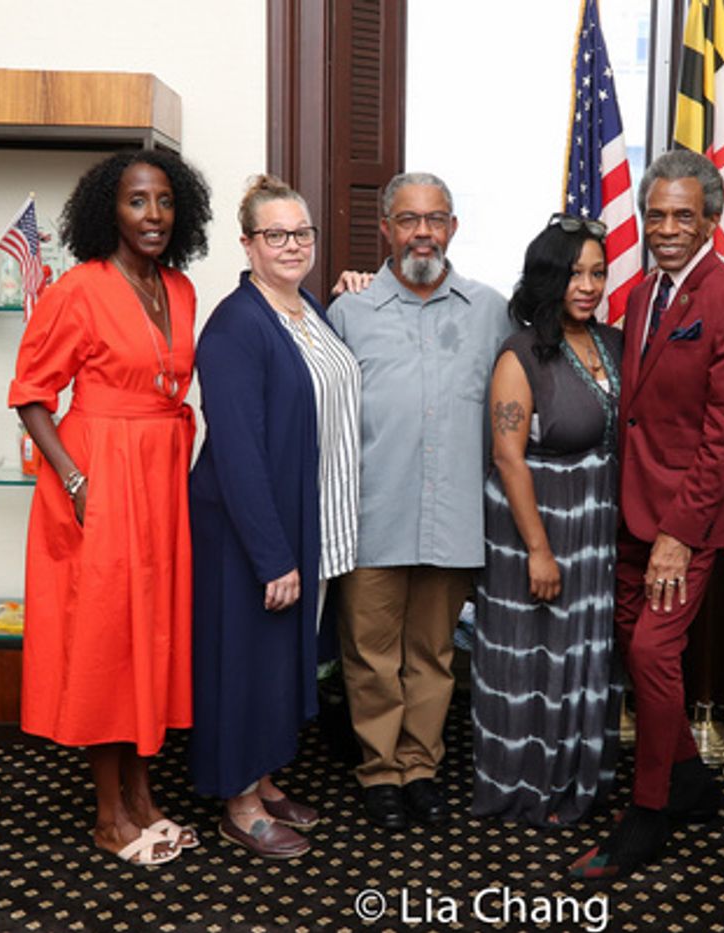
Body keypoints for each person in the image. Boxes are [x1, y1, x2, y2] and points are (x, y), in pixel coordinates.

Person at [9, 149, 212, 866]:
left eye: (163, 201)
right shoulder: (78, 289)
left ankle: (143, 797)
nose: (152, 215)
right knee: (106, 640)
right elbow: (32, 392)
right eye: (136, 201)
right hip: (97, 476)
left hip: (159, 477)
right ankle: (107, 815)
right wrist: (73, 479)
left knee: (148, 636)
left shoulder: (180, 289)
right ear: (109, 210)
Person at [570, 149, 724, 879]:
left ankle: (648, 812)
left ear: (712, 219)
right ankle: (686, 773)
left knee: (653, 653)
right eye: (656, 214)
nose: (668, 227)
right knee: (633, 644)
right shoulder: (643, 293)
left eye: (684, 215)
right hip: (629, 509)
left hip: (685, 520)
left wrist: (680, 534)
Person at [326, 171, 512, 830]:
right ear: (387, 229)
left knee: (433, 656)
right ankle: (379, 772)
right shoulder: (347, 312)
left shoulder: (490, 309)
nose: (423, 232)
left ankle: (421, 766)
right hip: (373, 517)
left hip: (455, 517)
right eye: (408, 219)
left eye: (436, 218)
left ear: (453, 227)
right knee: (372, 655)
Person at [188, 174, 361, 858]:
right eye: (276, 234)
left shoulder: (306, 307)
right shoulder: (236, 324)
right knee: (246, 664)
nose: (292, 244)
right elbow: (237, 451)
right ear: (248, 243)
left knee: (279, 664)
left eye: (302, 232)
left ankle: (261, 778)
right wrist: (272, 554)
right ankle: (239, 803)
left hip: (302, 519)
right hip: (248, 531)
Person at [471, 215, 623, 826]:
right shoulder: (521, 352)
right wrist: (538, 549)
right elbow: (507, 457)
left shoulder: (611, 342)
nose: (587, 285)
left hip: (594, 530)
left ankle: (575, 785)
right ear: (547, 279)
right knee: (532, 660)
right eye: (573, 274)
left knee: (583, 657)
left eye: (597, 273)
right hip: (535, 526)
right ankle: (523, 787)